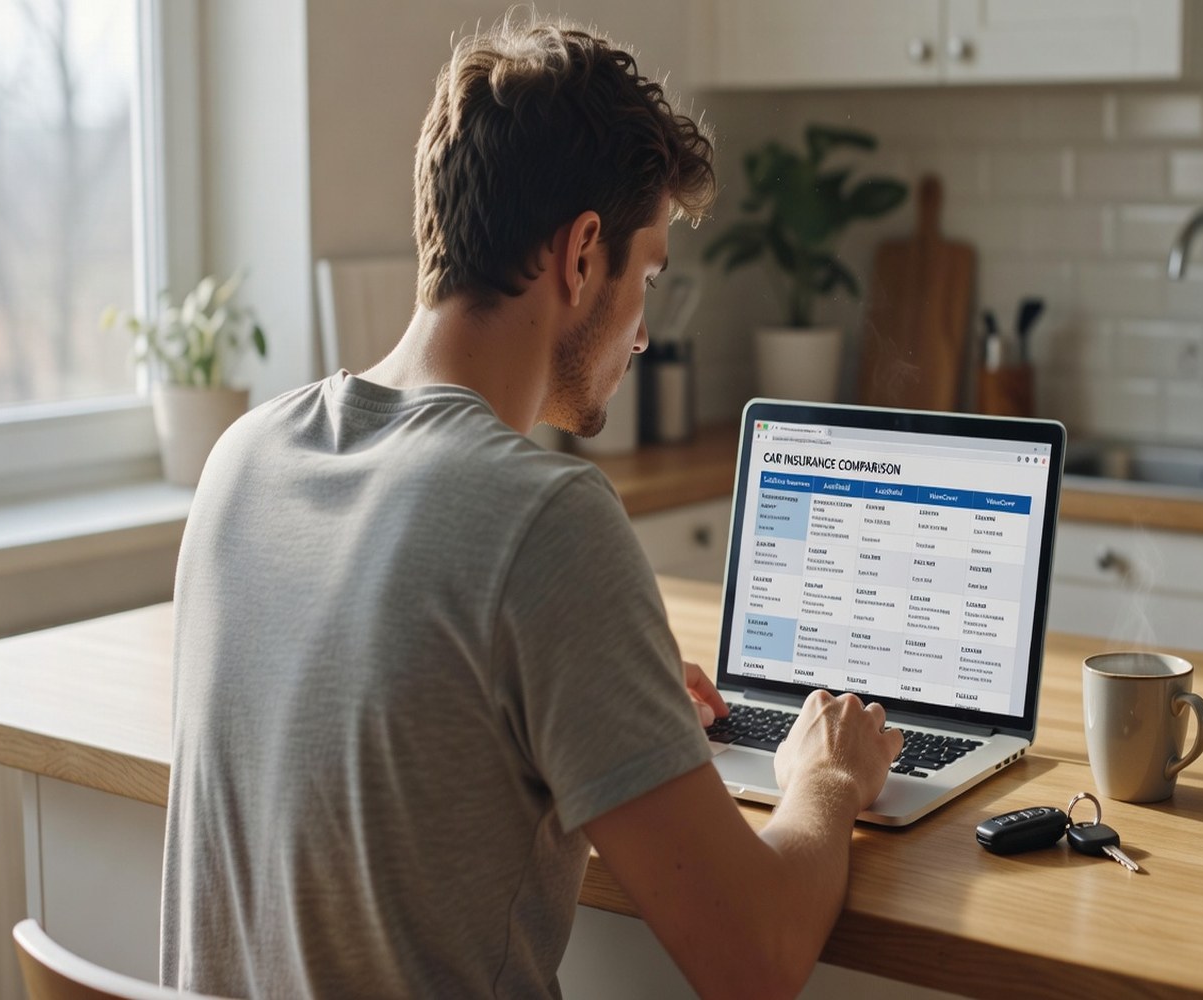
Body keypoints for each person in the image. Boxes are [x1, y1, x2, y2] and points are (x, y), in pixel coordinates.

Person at [159, 14, 902, 1000]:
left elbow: (407, 734)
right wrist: (827, 780)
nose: (639, 335)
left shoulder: (242, 457)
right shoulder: (544, 518)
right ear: (582, 253)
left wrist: (602, 715)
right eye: (647, 277)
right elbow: (755, 959)